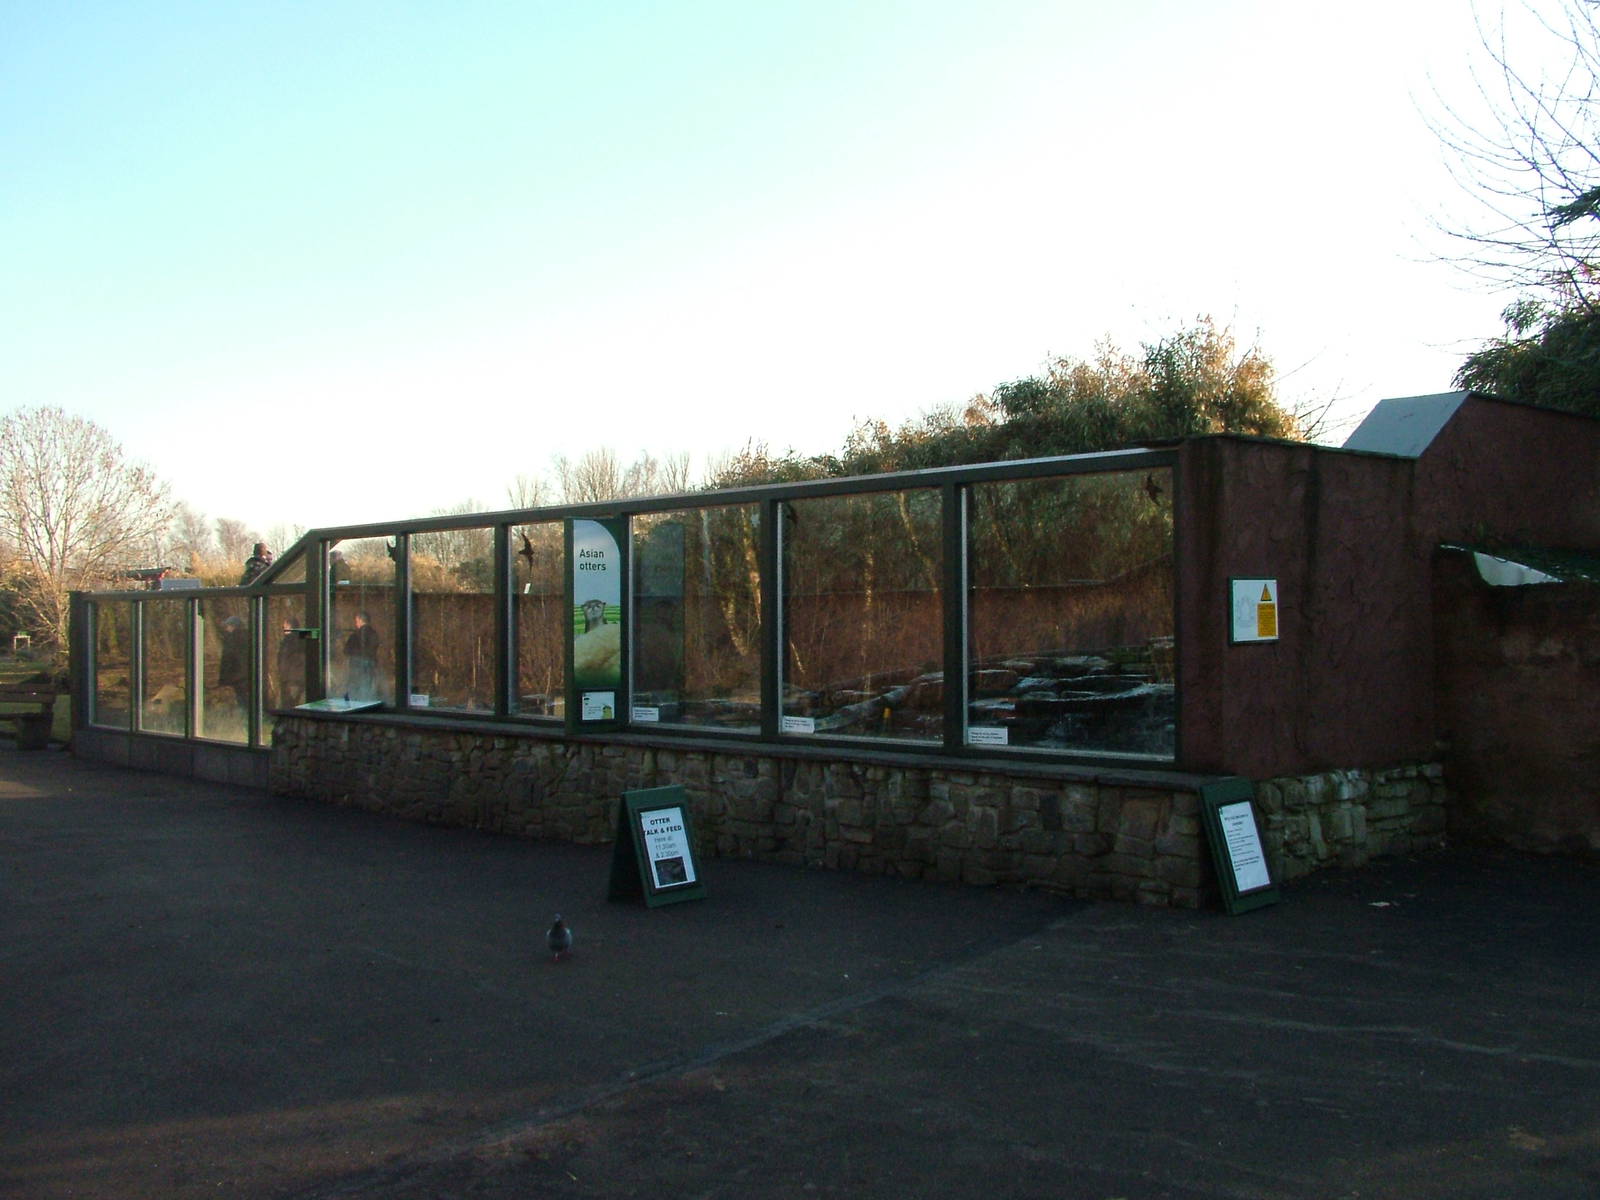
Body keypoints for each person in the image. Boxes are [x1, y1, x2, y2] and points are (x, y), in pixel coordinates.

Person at [216, 615, 250, 716]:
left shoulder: (231, 640)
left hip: (237, 676)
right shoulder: (249, 637)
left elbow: (227, 660)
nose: (226, 628)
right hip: (247, 675)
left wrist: (223, 679)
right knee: (247, 699)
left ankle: (246, 720)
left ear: (233, 626)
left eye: (228, 626)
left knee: (242, 700)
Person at [344, 610, 379, 700]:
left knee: (355, 686)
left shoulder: (355, 635)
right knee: (367, 685)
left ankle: (356, 702)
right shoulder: (374, 634)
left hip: (357, 665)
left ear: (360, 620)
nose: (356, 624)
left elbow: (346, 650)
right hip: (370, 663)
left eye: (356, 621)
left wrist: (355, 654)